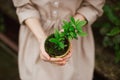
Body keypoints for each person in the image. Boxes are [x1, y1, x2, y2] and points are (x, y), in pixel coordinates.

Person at [12, 0, 105, 80]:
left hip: (74, 33)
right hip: (36, 33)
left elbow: (93, 4)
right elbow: (23, 5)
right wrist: (42, 39)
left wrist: (66, 33)